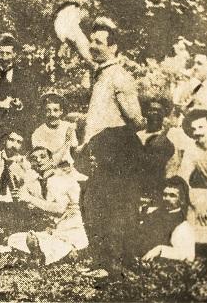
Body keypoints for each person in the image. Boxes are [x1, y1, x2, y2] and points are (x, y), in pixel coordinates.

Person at [75, 93, 175, 276]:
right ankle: (107, 260)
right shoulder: (116, 134)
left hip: (143, 186)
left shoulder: (164, 138)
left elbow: (152, 166)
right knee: (102, 207)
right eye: (150, 110)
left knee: (123, 212)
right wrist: (93, 163)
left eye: (158, 111)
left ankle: (121, 260)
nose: (153, 114)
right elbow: (85, 159)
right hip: (113, 185)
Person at [53, 9, 146, 144]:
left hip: (112, 149)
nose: (92, 46)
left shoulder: (119, 76)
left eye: (98, 42)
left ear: (113, 47)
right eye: (92, 41)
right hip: (96, 148)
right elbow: (84, 49)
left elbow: (135, 119)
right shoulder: (103, 72)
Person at [8, 146, 88, 265]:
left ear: (51, 161)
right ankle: (42, 252)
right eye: (34, 158)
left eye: (43, 157)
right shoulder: (36, 181)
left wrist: (30, 199)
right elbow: (30, 200)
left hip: (69, 232)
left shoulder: (62, 180)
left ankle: (64, 252)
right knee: (13, 239)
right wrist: (23, 199)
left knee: (47, 243)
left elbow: (59, 209)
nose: (39, 160)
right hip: (52, 232)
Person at [0, 33, 41, 149]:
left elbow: (32, 105)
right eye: (1, 53)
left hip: (15, 131)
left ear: (15, 54)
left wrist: (20, 105)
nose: (4, 58)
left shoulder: (25, 77)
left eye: (8, 53)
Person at [140, 176, 195, 262]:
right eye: (165, 195)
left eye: (172, 196)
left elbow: (187, 255)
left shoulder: (183, 226)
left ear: (182, 200)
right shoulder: (153, 214)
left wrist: (161, 250)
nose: (167, 199)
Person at [31, 91, 78, 169]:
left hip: (68, 170)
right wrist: (66, 142)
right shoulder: (38, 133)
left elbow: (75, 151)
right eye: (48, 111)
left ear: (61, 111)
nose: (52, 114)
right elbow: (48, 162)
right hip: (49, 171)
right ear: (43, 112)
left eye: (55, 110)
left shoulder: (68, 127)